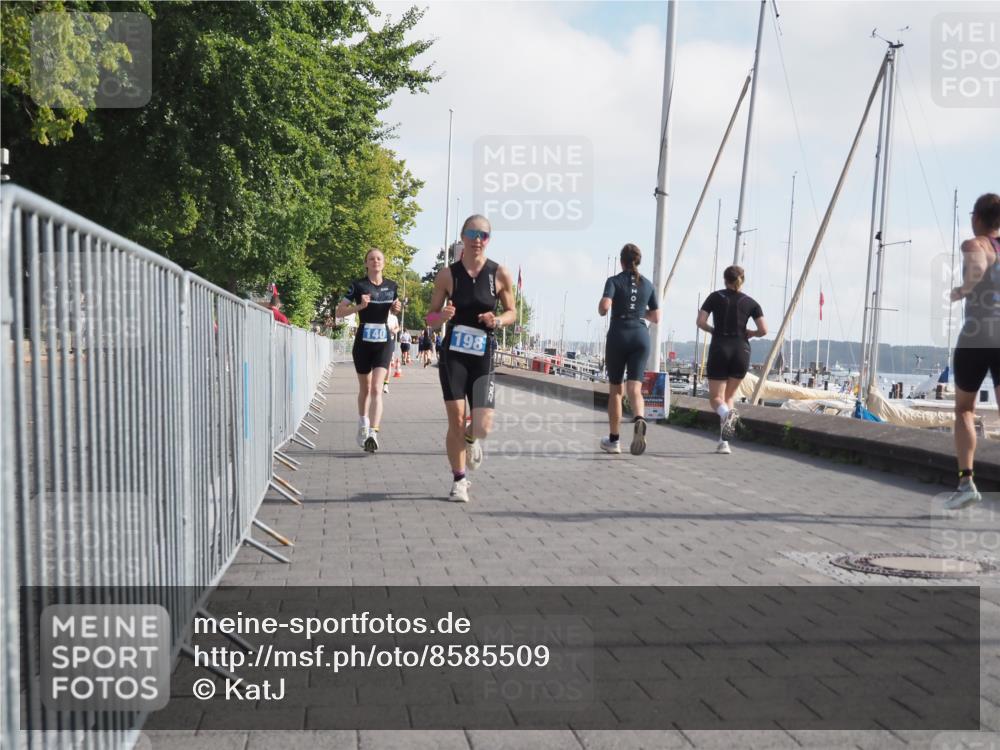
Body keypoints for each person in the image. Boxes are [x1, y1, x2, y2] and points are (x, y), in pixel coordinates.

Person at [426, 215, 516, 502]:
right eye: (472, 233)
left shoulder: (499, 273)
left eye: (484, 235)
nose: (478, 239)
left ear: (488, 240)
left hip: (483, 355)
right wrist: (441, 317)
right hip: (454, 355)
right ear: (463, 236)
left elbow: (512, 312)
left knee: (483, 426)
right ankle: (459, 480)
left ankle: (471, 439)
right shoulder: (447, 274)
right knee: (454, 420)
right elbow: (429, 317)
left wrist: (498, 320)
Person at [946, 193, 1000, 510]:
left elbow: (977, 267)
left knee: (965, 408)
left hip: (978, 334)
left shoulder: (974, 244)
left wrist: (962, 290)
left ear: (977, 218)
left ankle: (966, 481)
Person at [334, 248, 402, 453]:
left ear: (384, 262)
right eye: (371, 259)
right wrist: (359, 307)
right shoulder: (357, 285)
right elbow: (339, 311)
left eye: (379, 258)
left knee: (376, 388)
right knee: (365, 389)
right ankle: (362, 425)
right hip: (363, 341)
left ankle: (373, 432)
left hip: (383, 340)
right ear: (366, 263)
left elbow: (393, 308)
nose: (375, 261)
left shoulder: (392, 286)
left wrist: (395, 309)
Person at [597, 244, 661, 455]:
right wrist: (640, 312)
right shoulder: (648, 285)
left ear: (622, 261)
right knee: (635, 387)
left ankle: (614, 441)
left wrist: (603, 306)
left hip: (619, 334)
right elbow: (656, 317)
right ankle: (640, 418)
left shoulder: (614, 281)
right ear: (638, 261)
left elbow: (605, 307)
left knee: (616, 390)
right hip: (640, 335)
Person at [696, 265, 767, 455]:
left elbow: (700, 322)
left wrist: (712, 330)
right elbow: (764, 330)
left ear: (724, 279)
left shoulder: (714, 297)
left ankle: (726, 414)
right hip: (741, 350)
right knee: (729, 397)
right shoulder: (751, 302)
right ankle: (724, 443)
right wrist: (751, 333)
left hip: (720, 347)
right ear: (742, 280)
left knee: (716, 399)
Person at [384, 313, 401, 393]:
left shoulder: (394, 317)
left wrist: (394, 330)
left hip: (390, 341)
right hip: (380, 339)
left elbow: (398, 327)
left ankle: (386, 384)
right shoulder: (381, 312)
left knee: (388, 363)